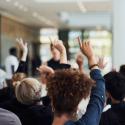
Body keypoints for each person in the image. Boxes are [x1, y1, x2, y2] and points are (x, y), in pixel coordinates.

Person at [47, 39, 105, 125]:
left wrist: (63, 52)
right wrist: (91, 58)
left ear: (52, 101)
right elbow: (98, 96)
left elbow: (61, 84)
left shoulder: (40, 118)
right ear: (77, 105)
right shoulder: (86, 123)